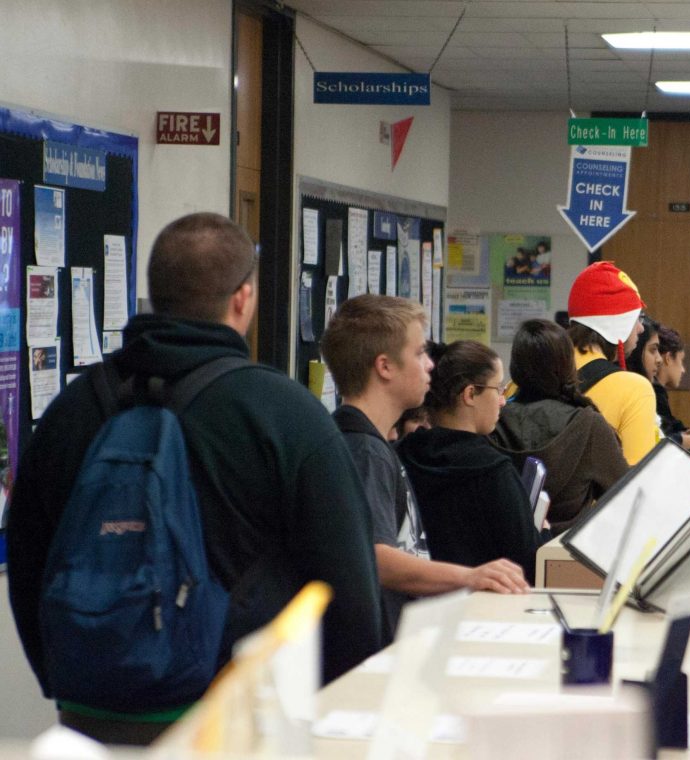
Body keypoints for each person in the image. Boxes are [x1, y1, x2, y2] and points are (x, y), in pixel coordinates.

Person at [6, 213, 382, 744]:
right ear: (243, 298)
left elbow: (28, 562)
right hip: (237, 724)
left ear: (155, 294)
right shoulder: (286, 414)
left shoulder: (71, 410)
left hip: (91, 719)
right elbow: (351, 593)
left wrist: (74, 681)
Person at [320, 295, 529, 641]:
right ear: (385, 366)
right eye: (419, 354)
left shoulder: (377, 445)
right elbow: (376, 557)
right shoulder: (364, 450)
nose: (431, 365)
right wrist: (468, 577)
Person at [398, 340, 548, 583]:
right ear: (470, 394)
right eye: (498, 389)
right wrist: (543, 530)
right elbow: (526, 561)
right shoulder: (492, 470)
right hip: (480, 607)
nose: (502, 401)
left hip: (415, 603)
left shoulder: (402, 455)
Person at [491, 319, 630, 535]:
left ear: (515, 369)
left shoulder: (492, 423)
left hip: (501, 559)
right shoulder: (589, 425)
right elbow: (625, 499)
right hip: (566, 558)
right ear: (568, 365)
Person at [566, 261, 659, 465]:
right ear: (618, 323)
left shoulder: (521, 382)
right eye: (637, 318)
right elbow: (639, 480)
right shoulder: (634, 389)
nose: (641, 329)